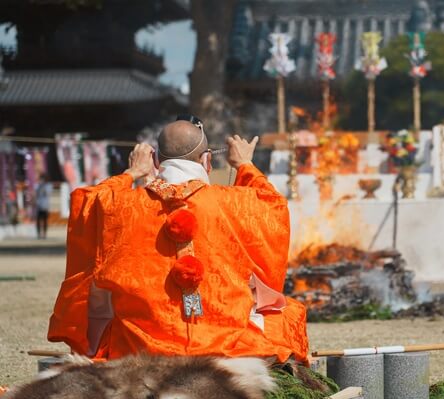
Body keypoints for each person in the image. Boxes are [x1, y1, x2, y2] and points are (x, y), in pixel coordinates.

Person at [47, 118, 308, 363]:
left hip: (141, 347)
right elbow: (273, 206)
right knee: (288, 315)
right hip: (223, 343)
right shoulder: (234, 202)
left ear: (156, 161)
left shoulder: (122, 205)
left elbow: (86, 203)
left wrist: (131, 172)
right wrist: (245, 165)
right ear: (207, 160)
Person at [34, 174, 53, 239]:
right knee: (38, 220)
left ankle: (44, 234)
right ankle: (39, 234)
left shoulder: (48, 185)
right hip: (38, 205)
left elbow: (48, 193)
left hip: (45, 206)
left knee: (45, 220)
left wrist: (43, 186)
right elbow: (35, 192)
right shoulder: (37, 185)